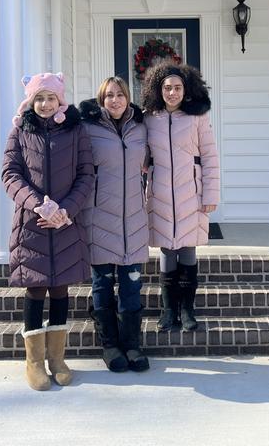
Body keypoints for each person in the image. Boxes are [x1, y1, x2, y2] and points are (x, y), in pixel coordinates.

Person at [2, 72, 94, 391]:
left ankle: (57, 360)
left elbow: (86, 174)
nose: (44, 104)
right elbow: (10, 174)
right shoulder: (19, 131)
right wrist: (38, 206)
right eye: (39, 98)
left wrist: (64, 210)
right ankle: (34, 363)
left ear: (60, 100)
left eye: (50, 98)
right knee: (36, 289)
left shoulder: (76, 130)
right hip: (32, 224)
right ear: (31, 101)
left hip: (65, 223)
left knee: (60, 290)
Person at [79, 77, 150, 372]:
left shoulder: (141, 128)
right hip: (99, 218)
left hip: (133, 218)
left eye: (120, 94)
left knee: (132, 287)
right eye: (109, 95)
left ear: (128, 97)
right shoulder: (88, 129)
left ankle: (132, 345)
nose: (115, 100)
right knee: (103, 285)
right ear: (101, 100)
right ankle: (110, 346)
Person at [142, 62, 220, 331]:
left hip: (192, 193)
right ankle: (167, 311)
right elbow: (142, 154)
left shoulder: (198, 118)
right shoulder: (149, 118)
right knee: (166, 249)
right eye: (167, 88)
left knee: (187, 249)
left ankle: (187, 311)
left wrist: (210, 193)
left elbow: (210, 157)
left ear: (185, 90)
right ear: (158, 89)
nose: (172, 93)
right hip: (161, 192)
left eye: (177, 87)